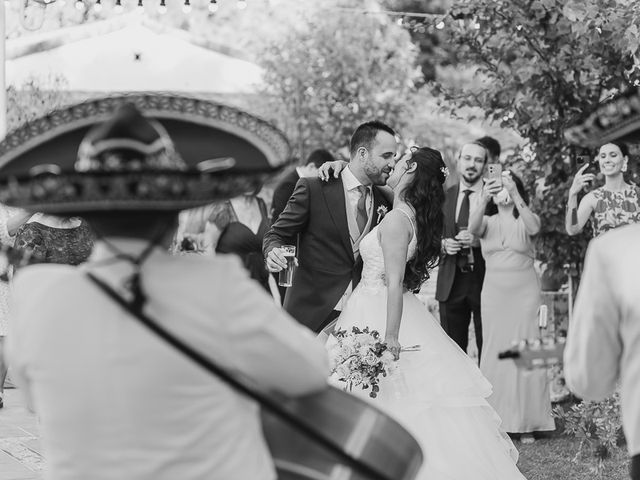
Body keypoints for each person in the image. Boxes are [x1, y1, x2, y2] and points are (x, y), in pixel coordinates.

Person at [4, 98, 328, 480]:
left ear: (86, 213)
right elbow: (310, 370)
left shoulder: (38, 294)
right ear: (175, 216)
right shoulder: (217, 285)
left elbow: (30, 394)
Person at [330, 146, 525, 480]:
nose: (392, 165)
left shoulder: (394, 220)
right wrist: (339, 165)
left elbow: (394, 283)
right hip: (376, 303)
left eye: (400, 161)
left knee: (387, 396)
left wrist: (390, 339)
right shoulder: (404, 209)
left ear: (411, 172)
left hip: (380, 310)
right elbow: (364, 178)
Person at [263, 121, 395, 333]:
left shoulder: (384, 201)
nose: (393, 163)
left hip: (358, 318)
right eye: (386, 156)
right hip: (308, 314)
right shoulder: (314, 188)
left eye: (394, 156)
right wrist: (273, 251)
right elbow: (276, 234)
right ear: (362, 154)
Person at [469, 170, 554, 443]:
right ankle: (498, 419)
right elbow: (472, 228)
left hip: (525, 293)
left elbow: (534, 228)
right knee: (495, 351)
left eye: (509, 182)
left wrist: (515, 192)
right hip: (493, 294)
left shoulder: (527, 217)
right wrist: (484, 195)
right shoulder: (488, 221)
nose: (504, 188)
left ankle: (527, 422)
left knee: (525, 351)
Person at [436, 141, 490, 357]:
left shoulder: (495, 197)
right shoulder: (443, 196)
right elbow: (429, 237)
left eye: (478, 160)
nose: (472, 164)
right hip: (451, 280)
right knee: (452, 354)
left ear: (485, 166)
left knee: (488, 348)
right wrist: (442, 244)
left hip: (485, 280)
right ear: (458, 162)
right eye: (467, 158)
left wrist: (479, 240)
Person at [566, 141, 640, 237]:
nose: (607, 160)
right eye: (603, 156)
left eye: (613, 155)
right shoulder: (592, 198)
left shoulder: (637, 193)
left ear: (625, 160)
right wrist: (572, 194)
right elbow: (572, 229)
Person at [271, 149, 335, 224]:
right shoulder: (288, 185)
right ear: (311, 167)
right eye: (321, 174)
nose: (322, 180)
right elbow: (281, 222)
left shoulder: (305, 183)